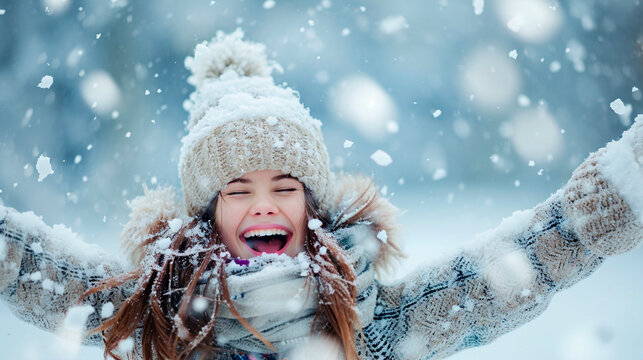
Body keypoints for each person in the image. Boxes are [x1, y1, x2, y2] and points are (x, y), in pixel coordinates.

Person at [1, 29, 642, 360]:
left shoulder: (370, 324)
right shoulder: (158, 317)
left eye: (285, 187)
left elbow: (500, 278)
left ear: (311, 207)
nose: (263, 204)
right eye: (237, 190)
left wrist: (606, 204)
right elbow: (39, 270)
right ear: (208, 212)